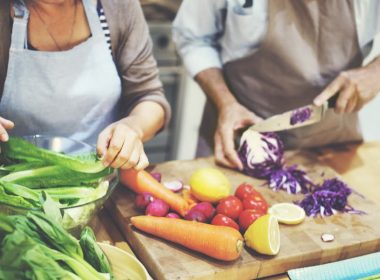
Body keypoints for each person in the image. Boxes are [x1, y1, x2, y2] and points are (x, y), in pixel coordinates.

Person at [173, 0, 380, 170]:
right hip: (236, 142)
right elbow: (193, 38)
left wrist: (375, 72)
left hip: (331, 148)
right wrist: (225, 103)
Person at [0, 0, 171, 170]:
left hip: (103, 179)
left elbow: (148, 96)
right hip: (15, 185)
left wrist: (133, 126)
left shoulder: (117, 6)